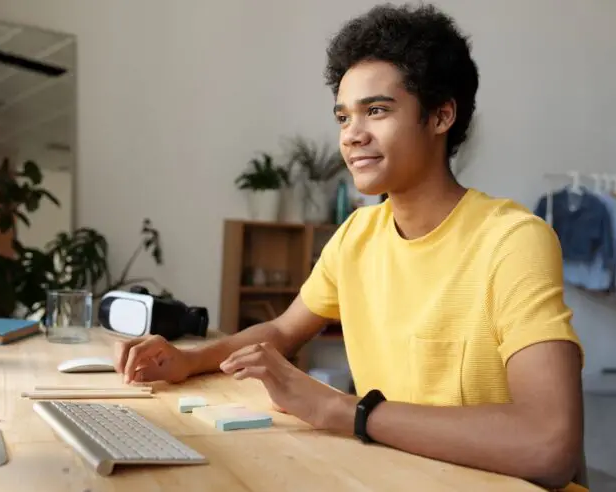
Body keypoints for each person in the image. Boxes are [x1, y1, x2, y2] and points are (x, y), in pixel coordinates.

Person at [114, 3, 585, 491]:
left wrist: (344, 410)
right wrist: (188, 360)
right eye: (344, 116)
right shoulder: (357, 234)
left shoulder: (512, 240)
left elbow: (548, 446)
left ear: (442, 114)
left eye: (376, 110)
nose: (353, 136)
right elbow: (281, 330)